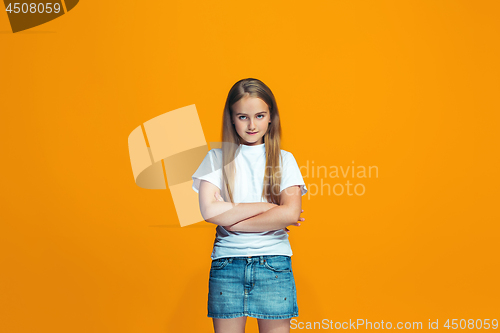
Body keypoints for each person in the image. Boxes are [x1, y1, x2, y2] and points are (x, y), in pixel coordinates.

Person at [191, 78, 308, 333]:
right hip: (227, 264)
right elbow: (209, 212)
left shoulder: (284, 160)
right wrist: (268, 208)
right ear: (231, 118)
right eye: (243, 117)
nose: (252, 125)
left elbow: (290, 212)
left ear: (270, 117)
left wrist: (231, 218)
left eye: (259, 115)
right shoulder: (215, 158)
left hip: (274, 265)